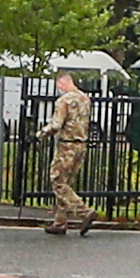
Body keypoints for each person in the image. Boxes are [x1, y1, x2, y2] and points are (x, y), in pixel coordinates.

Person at [44, 69, 93, 236]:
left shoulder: (64, 100)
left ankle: (84, 211)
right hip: (82, 145)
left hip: (67, 145)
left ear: (61, 83)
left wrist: (41, 133)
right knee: (67, 182)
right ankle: (60, 222)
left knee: (57, 181)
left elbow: (56, 125)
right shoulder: (85, 99)